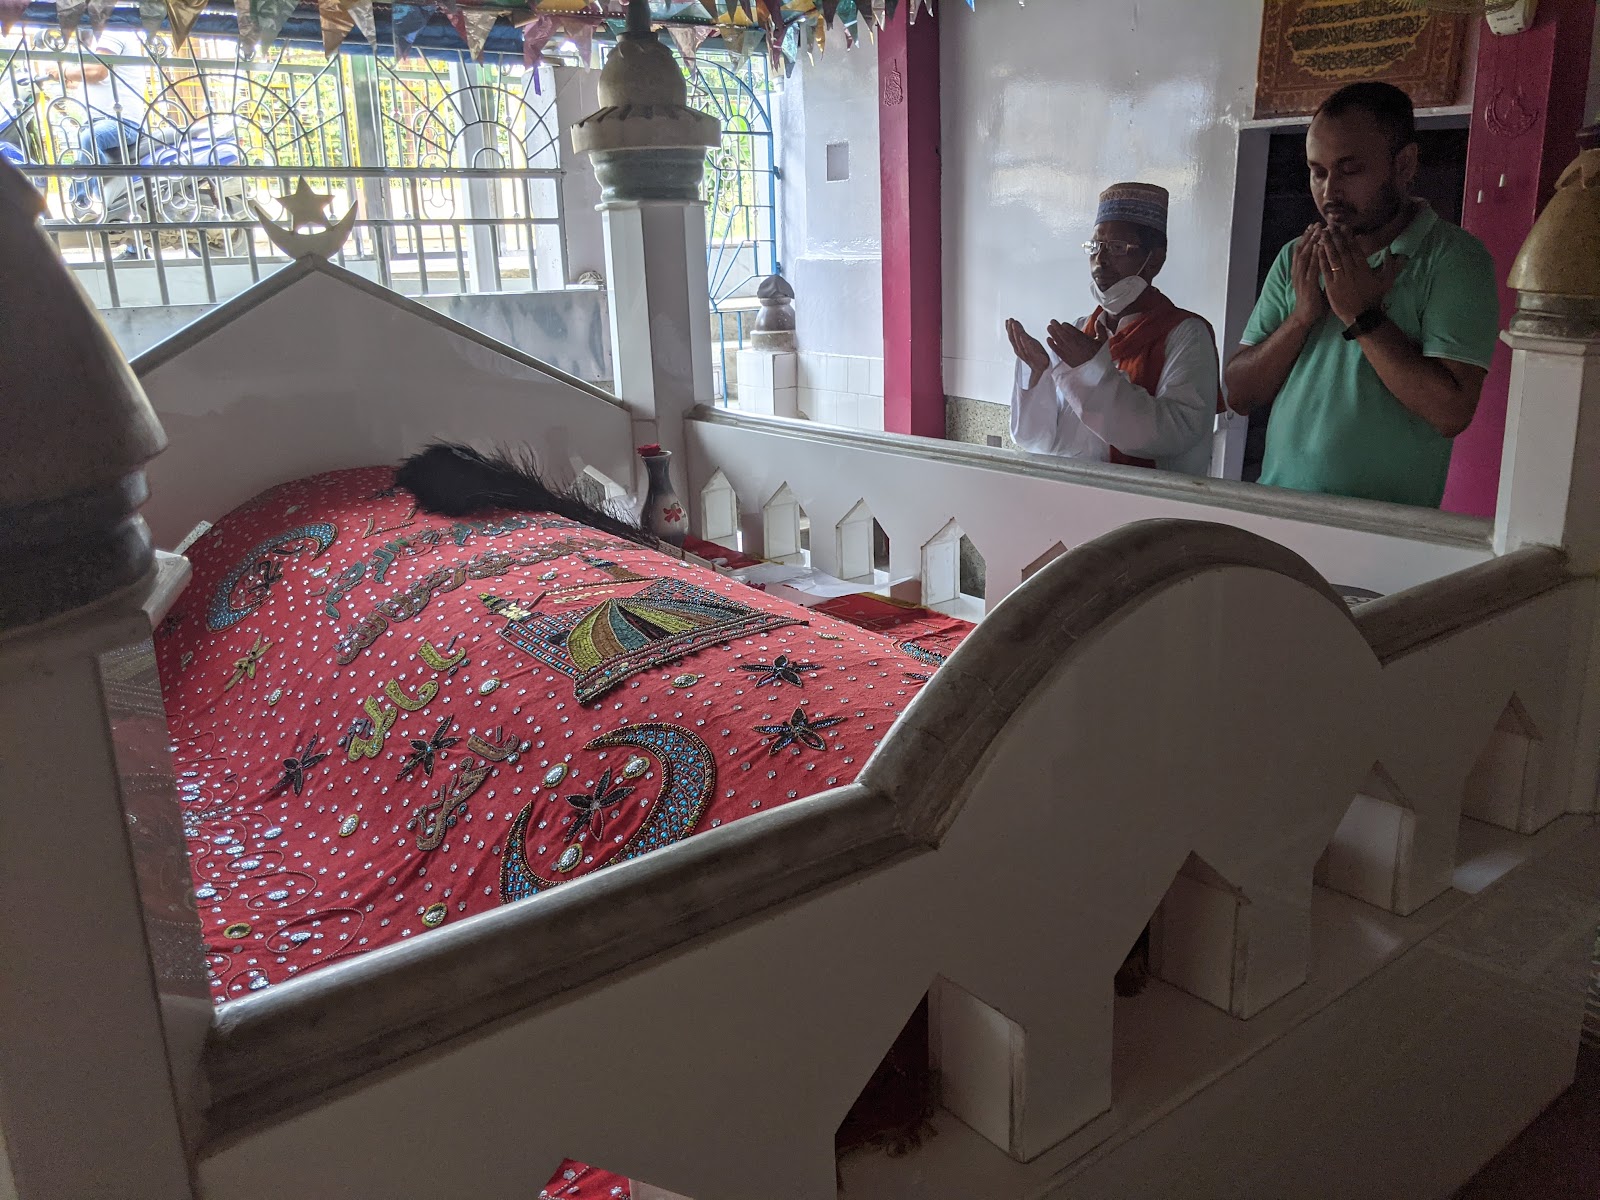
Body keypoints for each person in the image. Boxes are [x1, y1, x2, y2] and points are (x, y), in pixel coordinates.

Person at [1224, 82, 1500, 509]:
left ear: (1404, 165)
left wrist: (1362, 316)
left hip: (1380, 531)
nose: (1329, 192)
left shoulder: (1453, 259)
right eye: (1318, 172)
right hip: (1276, 505)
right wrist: (1301, 318)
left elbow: (1451, 413)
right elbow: (1238, 395)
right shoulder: (1297, 257)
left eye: (1350, 170)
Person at [1004, 181, 1219, 476]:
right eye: (1095, 247)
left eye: (1118, 248)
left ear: (1155, 259)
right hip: (1067, 499)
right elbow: (1036, 442)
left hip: (1142, 509)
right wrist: (1037, 374)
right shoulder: (1081, 330)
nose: (1100, 261)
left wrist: (1093, 373)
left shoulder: (1186, 335)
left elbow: (1174, 435)